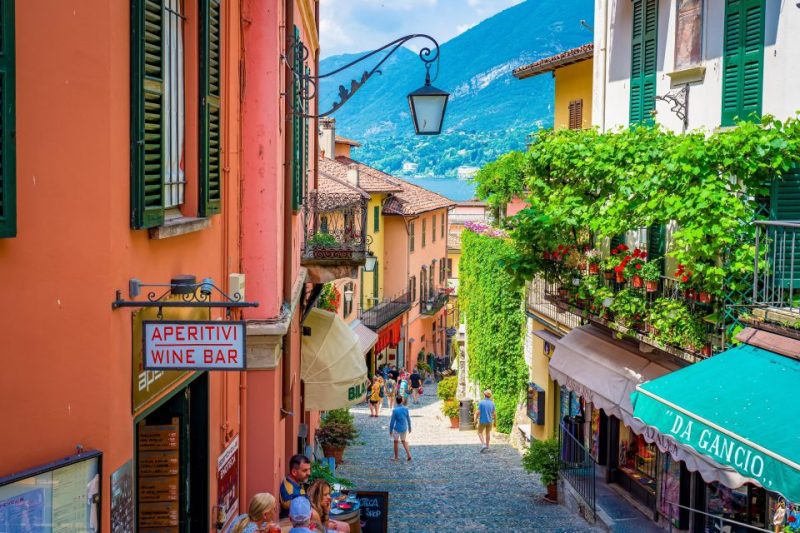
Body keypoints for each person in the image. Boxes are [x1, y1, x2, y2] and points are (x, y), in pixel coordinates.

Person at [279, 454, 311, 519]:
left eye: (309, 469)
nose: (309, 473)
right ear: (294, 472)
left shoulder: (298, 483)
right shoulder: (289, 490)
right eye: (305, 470)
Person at [389, 395, 412, 461]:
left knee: (395, 442)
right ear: (402, 401)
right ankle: (409, 455)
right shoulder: (406, 409)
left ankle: (396, 457)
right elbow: (408, 419)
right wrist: (410, 428)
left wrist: (390, 430)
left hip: (397, 428)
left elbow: (392, 421)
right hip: (404, 427)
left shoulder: (395, 410)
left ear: (396, 401)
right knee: (404, 441)